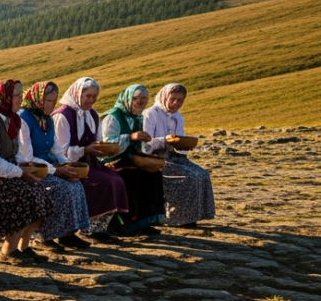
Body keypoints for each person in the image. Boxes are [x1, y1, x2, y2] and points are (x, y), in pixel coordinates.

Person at [0, 79, 54, 265]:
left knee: (41, 191)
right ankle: (8, 250)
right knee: (25, 194)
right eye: (15, 95)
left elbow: (15, 154)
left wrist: (27, 167)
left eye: (21, 95)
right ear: (4, 97)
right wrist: (21, 173)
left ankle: (23, 247)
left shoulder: (11, 119)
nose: (19, 99)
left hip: (7, 172)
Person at [52, 77, 129, 242]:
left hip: (89, 162)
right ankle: (89, 229)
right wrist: (85, 150)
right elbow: (60, 150)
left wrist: (100, 151)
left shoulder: (92, 114)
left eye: (94, 96)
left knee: (116, 179)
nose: (91, 100)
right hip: (69, 164)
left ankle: (100, 227)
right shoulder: (62, 115)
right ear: (77, 93)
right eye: (88, 95)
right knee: (102, 182)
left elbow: (95, 141)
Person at [18, 81, 93, 250]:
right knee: (60, 188)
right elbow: (27, 156)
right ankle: (44, 236)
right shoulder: (24, 118)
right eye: (49, 100)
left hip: (50, 165)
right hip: (33, 168)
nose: (53, 104)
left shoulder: (46, 119)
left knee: (76, 185)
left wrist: (69, 167)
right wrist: (57, 171)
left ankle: (68, 234)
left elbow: (57, 149)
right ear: (39, 99)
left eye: (55, 100)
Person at [143, 83, 216, 228]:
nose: (175, 103)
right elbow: (146, 145)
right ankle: (176, 218)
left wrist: (184, 146)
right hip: (156, 159)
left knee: (202, 174)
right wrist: (165, 140)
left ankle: (193, 216)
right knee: (190, 176)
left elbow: (178, 141)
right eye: (173, 99)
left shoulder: (178, 116)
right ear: (165, 97)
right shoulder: (150, 114)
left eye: (180, 100)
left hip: (174, 157)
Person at [99, 84, 167, 236]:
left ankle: (143, 222)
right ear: (127, 99)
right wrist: (131, 137)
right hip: (111, 159)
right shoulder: (113, 117)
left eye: (144, 99)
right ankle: (124, 224)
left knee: (153, 174)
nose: (140, 102)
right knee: (131, 176)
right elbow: (108, 145)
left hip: (129, 158)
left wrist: (144, 142)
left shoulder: (137, 117)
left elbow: (138, 147)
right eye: (136, 98)